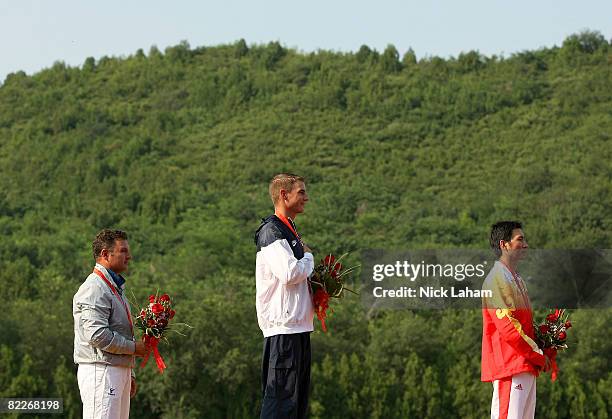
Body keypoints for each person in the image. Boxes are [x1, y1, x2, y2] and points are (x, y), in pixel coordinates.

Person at [254, 173, 315, 419]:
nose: (306, 198)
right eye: (301, 192)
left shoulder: (289, 230)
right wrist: (309, 257)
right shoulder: (271, 231)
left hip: (297, 328)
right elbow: (289, 272)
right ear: (283, 194)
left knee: (296, 404)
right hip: (283, 330)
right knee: (280, 403)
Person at [73, 229, 147, 419]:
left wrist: (129, 372)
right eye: (123, 251)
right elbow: (97, 335)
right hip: (101, 370)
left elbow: (118, 330)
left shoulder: (112, 287)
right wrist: (134, 349)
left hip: (114, 369)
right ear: (105, 254)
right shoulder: (94, 288)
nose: (129, 256)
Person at [481, 221, 550, 419]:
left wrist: (545, 345)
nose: (526, 244)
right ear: (504, 245)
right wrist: (537, 354)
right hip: (510, 364)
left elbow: (525, 324)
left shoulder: (515, 278)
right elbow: (508, 327)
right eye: (520, 239)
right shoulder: (496, 279)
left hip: (524, 363)